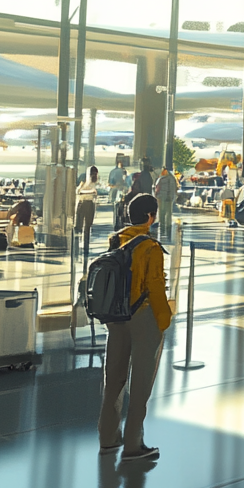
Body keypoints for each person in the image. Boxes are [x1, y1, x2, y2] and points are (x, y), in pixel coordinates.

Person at [98, 194, 170, 462]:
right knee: (140, 383)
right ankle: (133, 444)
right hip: (142, 317)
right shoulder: (150, 247)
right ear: (151, 216)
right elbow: (155, 289)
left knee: (113, 378)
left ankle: (108, 437)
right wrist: (163, 320)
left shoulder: (116, 240)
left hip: (115, 317)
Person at [154, 169, 177, 241]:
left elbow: (172, 189)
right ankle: (163, 231)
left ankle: (166, 231)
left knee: (166, 215)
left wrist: (170, 197)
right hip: (162, 198)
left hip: (166, 199)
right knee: (162, 215)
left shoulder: (169, 178)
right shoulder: (162, 178)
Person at [76, 166, 99, 235]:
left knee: (88, 224)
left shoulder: (95, 181)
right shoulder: (84, 179)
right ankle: (79, 237)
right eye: (93, 174)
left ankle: (86, 240)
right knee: (80, 224)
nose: (94, 175)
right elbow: (78, 191)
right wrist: (90, 192)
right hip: (82, 202)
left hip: (90, 202)